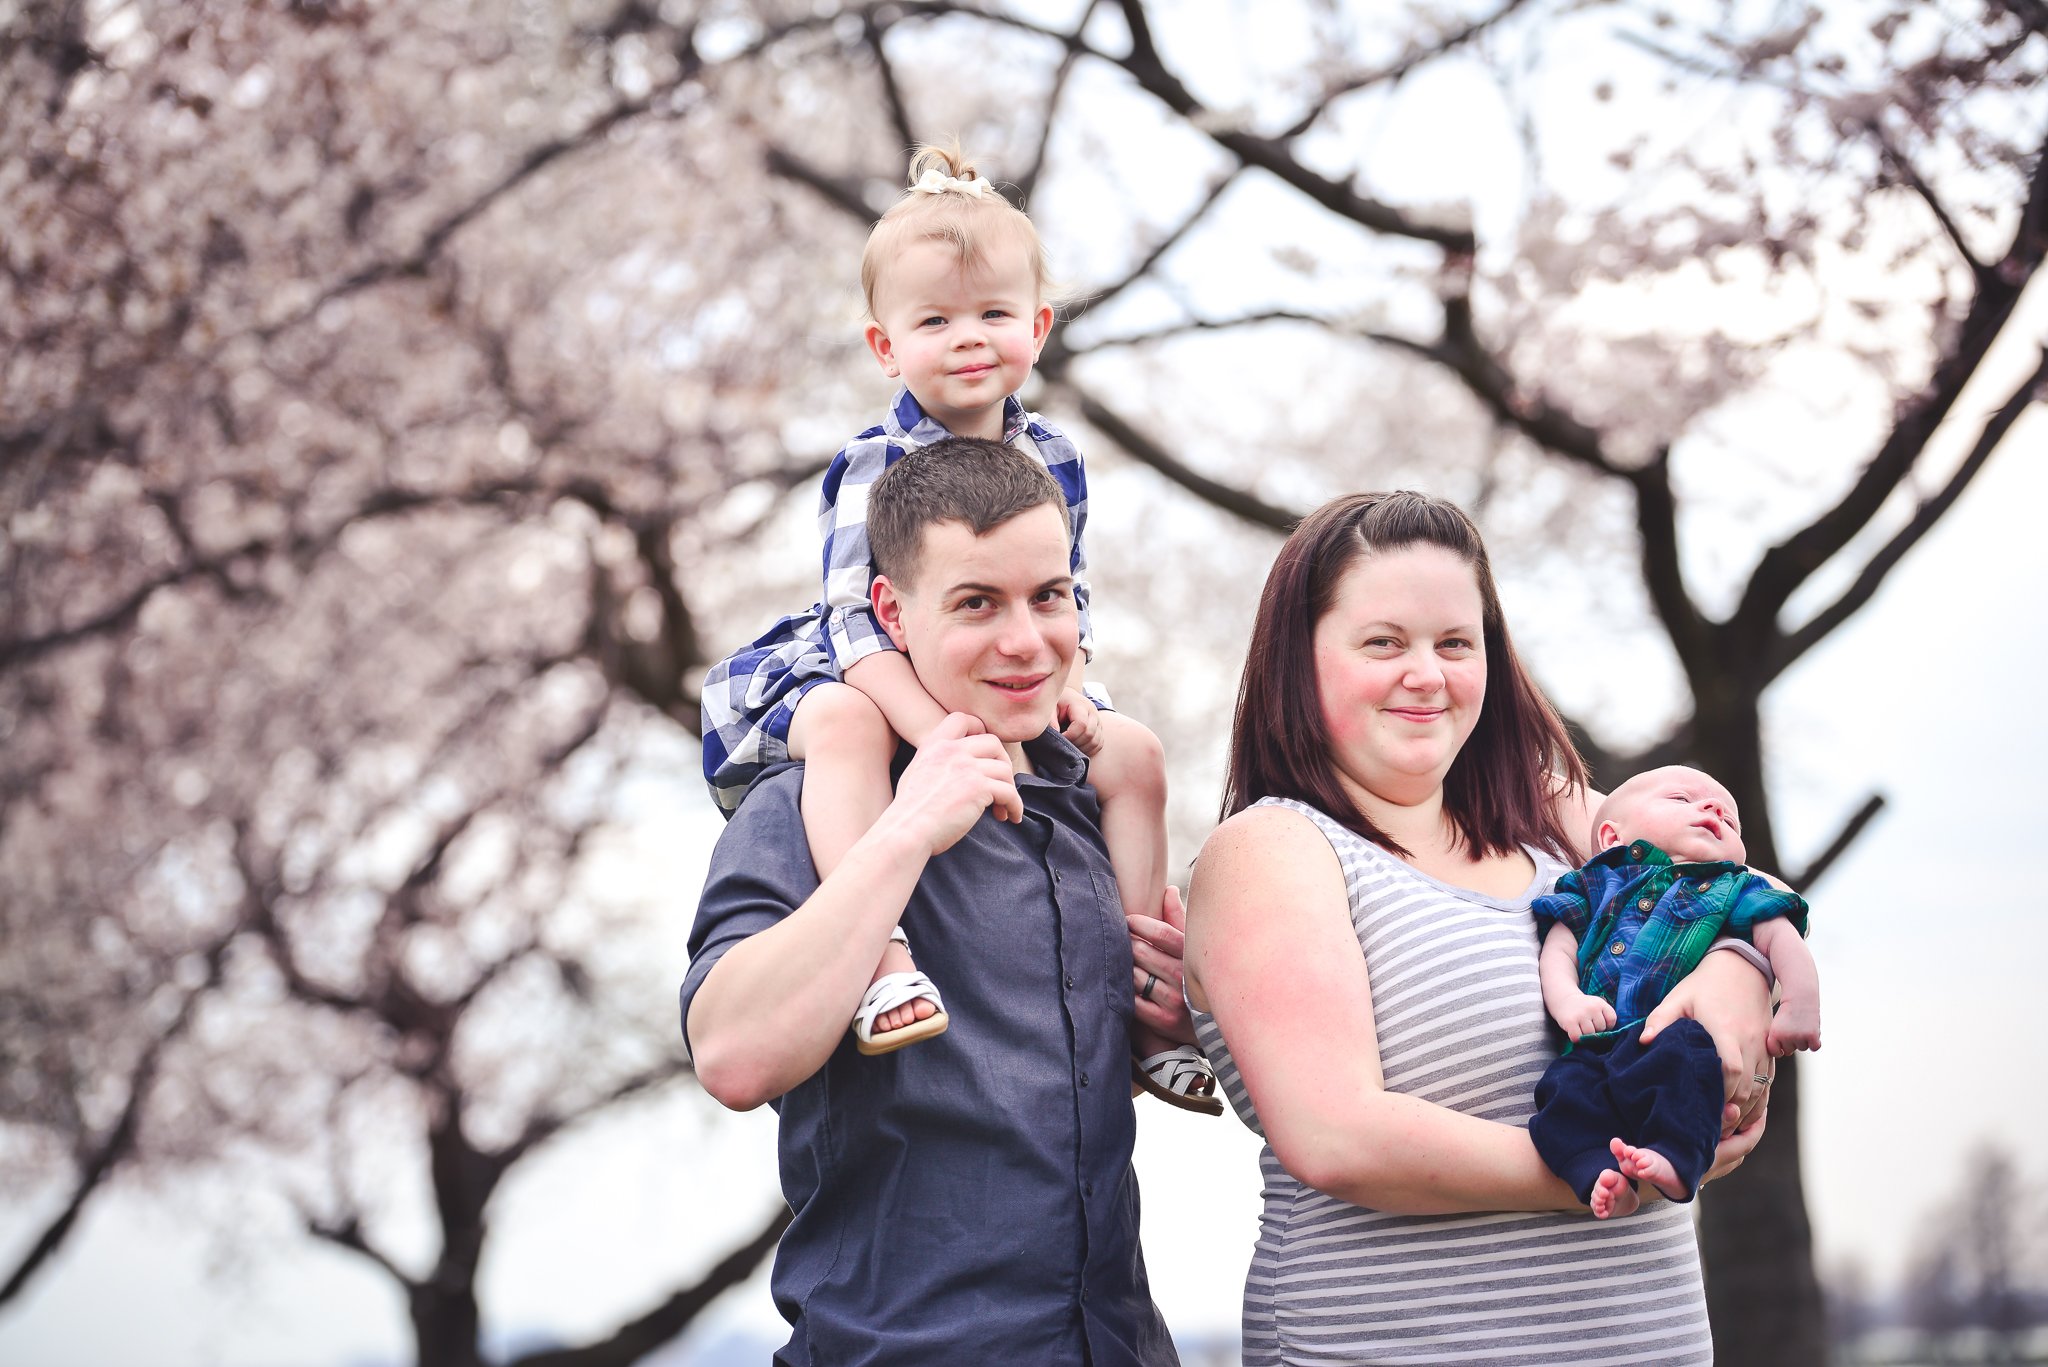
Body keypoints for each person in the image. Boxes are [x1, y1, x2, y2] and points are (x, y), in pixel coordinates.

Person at [1183, 490, 1780, 1366]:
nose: (1426, 673)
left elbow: (1743, 892)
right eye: (1383, 641)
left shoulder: (1560, 824)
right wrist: (1615, 1172)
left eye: (1455, 643)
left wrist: (1734, 973)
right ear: (1298, 661)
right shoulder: (1273, 849)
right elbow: (1337, 1136)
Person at [696, 143, 1213, 1110]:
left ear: (1039, 326)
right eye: (935, 320)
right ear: (885, 346)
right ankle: (884, 959)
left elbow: (1069, 592)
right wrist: (936, 729)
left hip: (974, 675)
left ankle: (1144, 991)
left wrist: (1072, 690)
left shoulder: (1053, 454)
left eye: (993, 315)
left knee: (1134, 754)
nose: (969, 338)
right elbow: (856, 620)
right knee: (850, 729)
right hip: (852, 667)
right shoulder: (872, 462)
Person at [683, 440, 1186, 1365]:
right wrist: (904, 835)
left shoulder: (1103, 811)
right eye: (975, 604)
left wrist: (1183, 1006)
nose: (1027, 641)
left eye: (1049, 596)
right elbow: (732, 1055)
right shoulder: (813, 802)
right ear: (891, 612)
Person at [1531, 764, 1821, 1219]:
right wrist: (1568, 1000)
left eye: (1730, 818)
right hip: (1594, 1045)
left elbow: (1782, 939)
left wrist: (1801, 1006)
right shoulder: (1596, 883)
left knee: (1690, 1069)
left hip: (1667, 1035)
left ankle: (1675, 1158)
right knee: (1560, 1093)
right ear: (1612, 837)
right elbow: (1559, 950)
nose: (1712, 809)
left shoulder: (1733, 887)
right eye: (1682, 800)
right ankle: (1598, 1176)